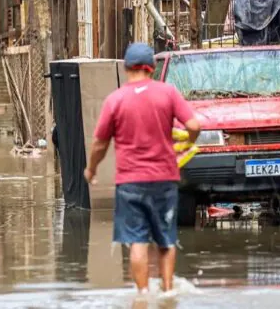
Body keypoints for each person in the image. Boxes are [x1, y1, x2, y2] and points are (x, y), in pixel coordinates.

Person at [83, 43, 201, 293]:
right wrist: (187, 143)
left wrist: (91, 170)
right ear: (152, 68)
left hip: (130, 182)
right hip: (164, 180)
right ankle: (168, 292)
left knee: (137, 241)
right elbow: (193, 125)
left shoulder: (115, 99)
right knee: (166, 240)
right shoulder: (167, 93)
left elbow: (99, 143)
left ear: (126, 68)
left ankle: (142, 295)